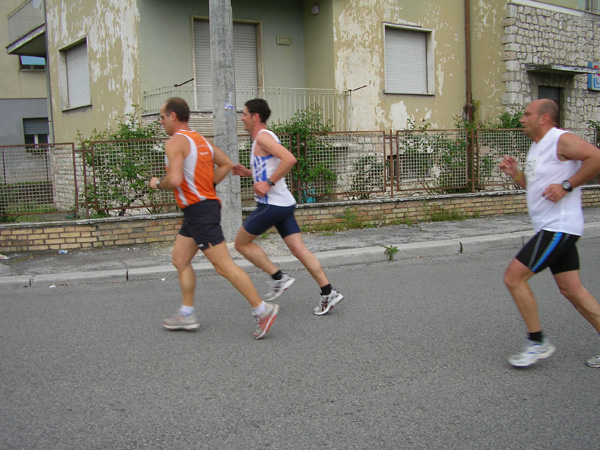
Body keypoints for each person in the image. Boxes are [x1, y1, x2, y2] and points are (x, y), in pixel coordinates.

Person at [149, 97, 278, 340]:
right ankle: (187, 313)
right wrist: (208, 185)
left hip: (199, 210)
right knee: (180, 258)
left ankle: (263, 309)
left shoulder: (176, 141)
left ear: (173, 116)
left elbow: (174, 180)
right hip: (198, 209)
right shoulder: (201, 141)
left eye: (162, 116)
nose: (161, 121)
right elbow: (227, 163)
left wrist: (157, 183)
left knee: (223, 265)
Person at [499, 98, 600, 368]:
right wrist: (515, 174)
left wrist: (567, 185)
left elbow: (596, 158)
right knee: (572, 289)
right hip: (551, 227)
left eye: (527, 114)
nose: (522, 118)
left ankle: (537, 341)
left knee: (513, 278)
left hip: (559, 226)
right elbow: (533, 186)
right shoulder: (537, 147)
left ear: (544, 118)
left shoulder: (560, 140)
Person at [232, 98, 344, 315]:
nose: (242, 118)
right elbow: (269, 165)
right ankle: (328, 292)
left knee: (240, 243)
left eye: (244, 114)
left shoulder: (263, 137)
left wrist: (268, 183)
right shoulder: (263, 138)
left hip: (272, 205)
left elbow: (289, 159)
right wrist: (248, 173)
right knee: (298, 249)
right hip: (283, 204)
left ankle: (278, 277)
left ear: (255, 116)